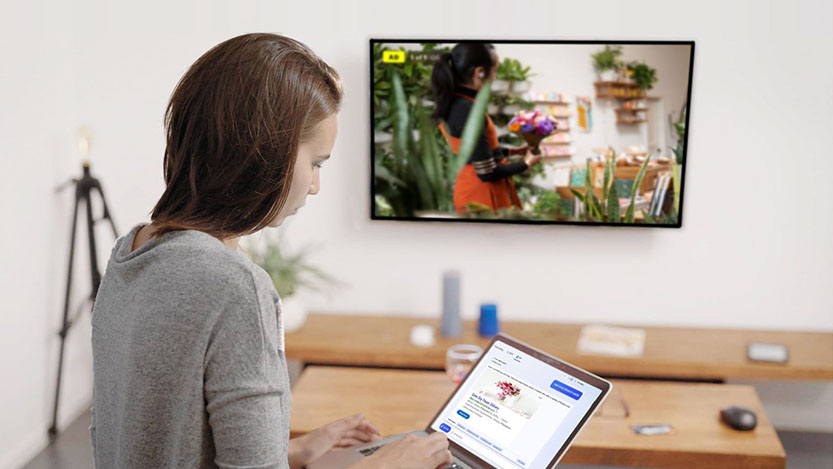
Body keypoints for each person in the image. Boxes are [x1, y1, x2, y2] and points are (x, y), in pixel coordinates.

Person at [89, 33, 452, 469]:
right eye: (315, 163)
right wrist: (389, 464)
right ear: (265, 154)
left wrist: (290, 450)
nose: (315, 186)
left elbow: (159, 435)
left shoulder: (131, 251)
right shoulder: (234, 286)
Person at [431, 43, 541, 214]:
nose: (495, 77)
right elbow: (487, 172)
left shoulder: (456, 103)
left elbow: (475, 153)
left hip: (470, 190)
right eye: (495, 70)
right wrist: (526, 163)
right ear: (480, 72)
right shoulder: (467, 110)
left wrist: (514, 151)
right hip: (482, 198)